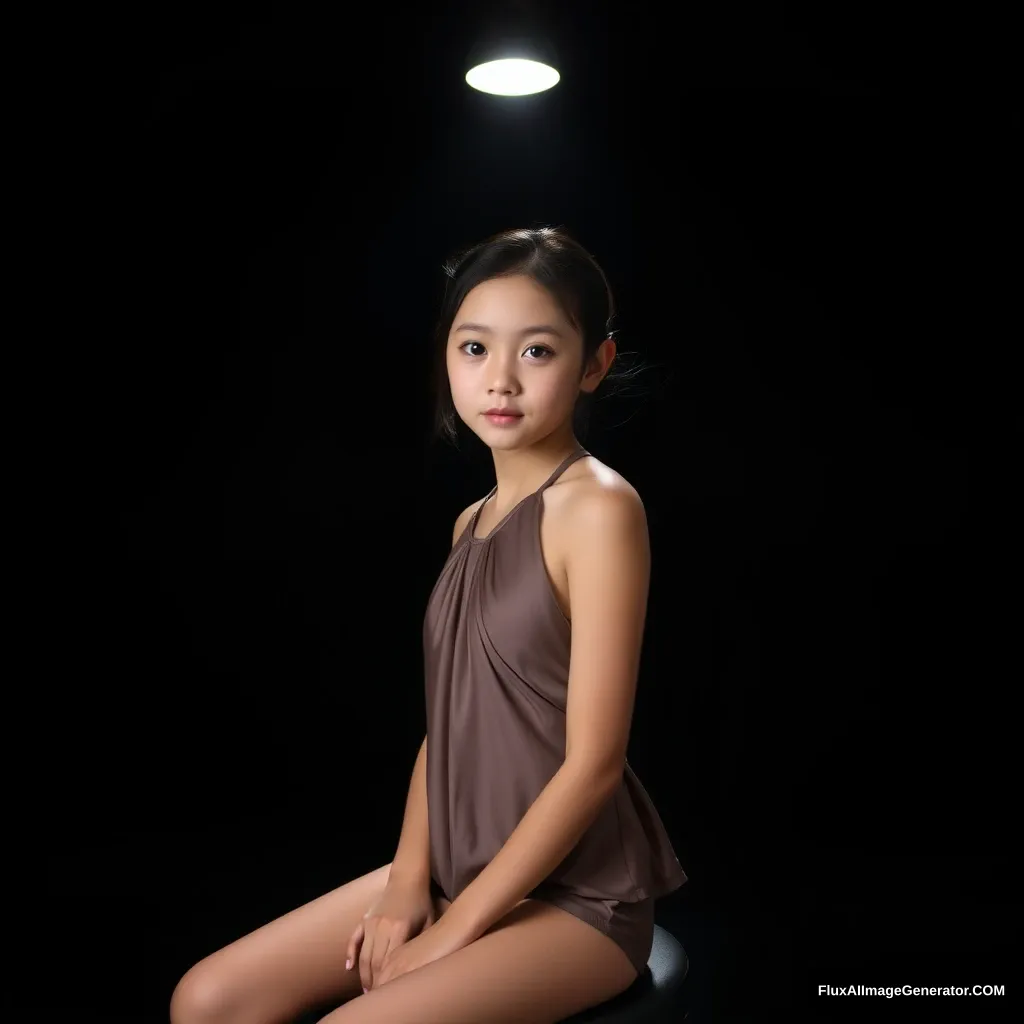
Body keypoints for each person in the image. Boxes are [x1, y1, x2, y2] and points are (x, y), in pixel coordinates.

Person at [169, 226, 687, 1024]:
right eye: (474, 348)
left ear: (595, 365)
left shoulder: (599, 508)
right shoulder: (469, 522)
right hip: (456, 864)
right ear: (447, 358)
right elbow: (448, 726)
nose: (501, 379)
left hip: (578, 900)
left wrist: (456, 932)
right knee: (205, 1001)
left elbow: (595, 762)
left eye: (539, 352)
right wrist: (410, 882)